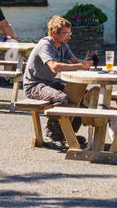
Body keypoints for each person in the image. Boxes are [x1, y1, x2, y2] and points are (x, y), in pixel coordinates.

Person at [22, 16, 94, 146]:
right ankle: (52, 135)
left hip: (48, 83)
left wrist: (85, 61)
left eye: (69, 33)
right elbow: (54, 67)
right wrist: (80, 66)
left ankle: (68, 133)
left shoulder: (63, 45)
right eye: (65, 33)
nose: (69, 36)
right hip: (34, 85)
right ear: (54, 33)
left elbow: (75, 61)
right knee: (60, 98)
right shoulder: (45, 45)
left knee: (81, 94)